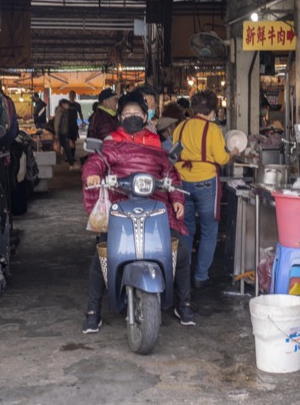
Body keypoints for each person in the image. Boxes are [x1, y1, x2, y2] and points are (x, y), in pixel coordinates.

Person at [81, 92, 195, 332]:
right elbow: (96, 161)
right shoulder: (112, 142)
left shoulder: (156, 143)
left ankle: (183, 303)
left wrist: (176, 198)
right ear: (120, 117)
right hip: (120, 207)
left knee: (181, 252)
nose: (132, 116)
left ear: (146, 116)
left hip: (156, 208)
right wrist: (92, 173)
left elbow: (170, 173)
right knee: (102, 254)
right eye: (127, 114)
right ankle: (93, 310)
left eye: (137, 113)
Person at [173, 89, 240, 288]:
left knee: (186, 228)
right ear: (212, 111)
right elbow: (221, 159)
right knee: (209, 230)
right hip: (206, 183)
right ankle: (200, 276)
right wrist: (233, 153)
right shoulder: (213, 130)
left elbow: (174, 153)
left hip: (182, 182)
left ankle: (183, 275)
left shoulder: (181, 127)